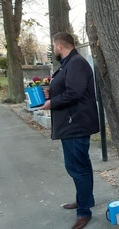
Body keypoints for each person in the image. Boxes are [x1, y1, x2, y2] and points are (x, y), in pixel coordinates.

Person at [40, 32, 99, 229]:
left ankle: (83, 212)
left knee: (77, 168)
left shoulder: (76, 63)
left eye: (53, 46)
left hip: (76, 124)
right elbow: (69, 88)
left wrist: (51, 103)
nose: (53, 50)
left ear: (59, 46)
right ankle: (84, 200)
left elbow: (75, 93)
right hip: (72, 124)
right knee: (81, 166)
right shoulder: (69, 63)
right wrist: (51, 92)